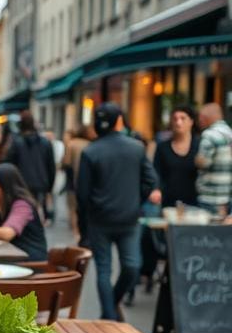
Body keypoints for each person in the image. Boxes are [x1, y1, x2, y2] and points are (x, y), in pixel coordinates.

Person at [77, 103, 160, 321]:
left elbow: (82, 194)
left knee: (104, 270)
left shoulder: (90, 151)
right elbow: (151, 180)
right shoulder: (136, 147)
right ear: (119, 122)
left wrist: (83, 227)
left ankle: (109, 312)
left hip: (99, 219)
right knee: (132, 266)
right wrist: (136, 200)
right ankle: (110, 311)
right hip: (129, 218)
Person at [4, 113, 56, 220]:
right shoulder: (45, 143)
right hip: (40, 183)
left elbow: (9, 164)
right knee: (35, 211)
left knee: (23, 212)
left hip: (21, 184)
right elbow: (51, 167)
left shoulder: (16, 143)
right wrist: (49, 187)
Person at [154, 106, 199, 208]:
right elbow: (156, 173)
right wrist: (156, 190)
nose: (178, 122)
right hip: (168, 203)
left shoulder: (200, 145)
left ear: (191, 121)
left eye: (183, 118)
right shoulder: (162, 147)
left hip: (196, 204)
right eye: (175, 119)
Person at [195, 102, 232, 215]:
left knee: (208, 232)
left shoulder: (209, 135)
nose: (199, 121)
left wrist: (196, 159)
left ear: (207, 117)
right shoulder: (229, 132)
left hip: (210, 196)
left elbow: (203, 162)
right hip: (226, 196)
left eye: (201, 117)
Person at [62, 125, 93, 237]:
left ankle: (76, 230)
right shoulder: (91, 145)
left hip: (73, 180)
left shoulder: (72, 144)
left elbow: (66, 162)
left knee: (73, 207)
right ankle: (82, 229)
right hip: (89, 180)